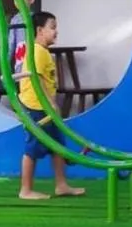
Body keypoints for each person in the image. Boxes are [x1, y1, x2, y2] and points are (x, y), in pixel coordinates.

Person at [13, 10, 85, 201]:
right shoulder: (37, 51)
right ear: (39, 30)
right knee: (32, 148)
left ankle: (61, 185)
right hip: (36, 107)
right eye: (52, 27)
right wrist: (51, 103)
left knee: (57, 146)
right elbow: (36, 79)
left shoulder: (43, 51)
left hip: (44, 107)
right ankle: (25, 190)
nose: (56, 31)